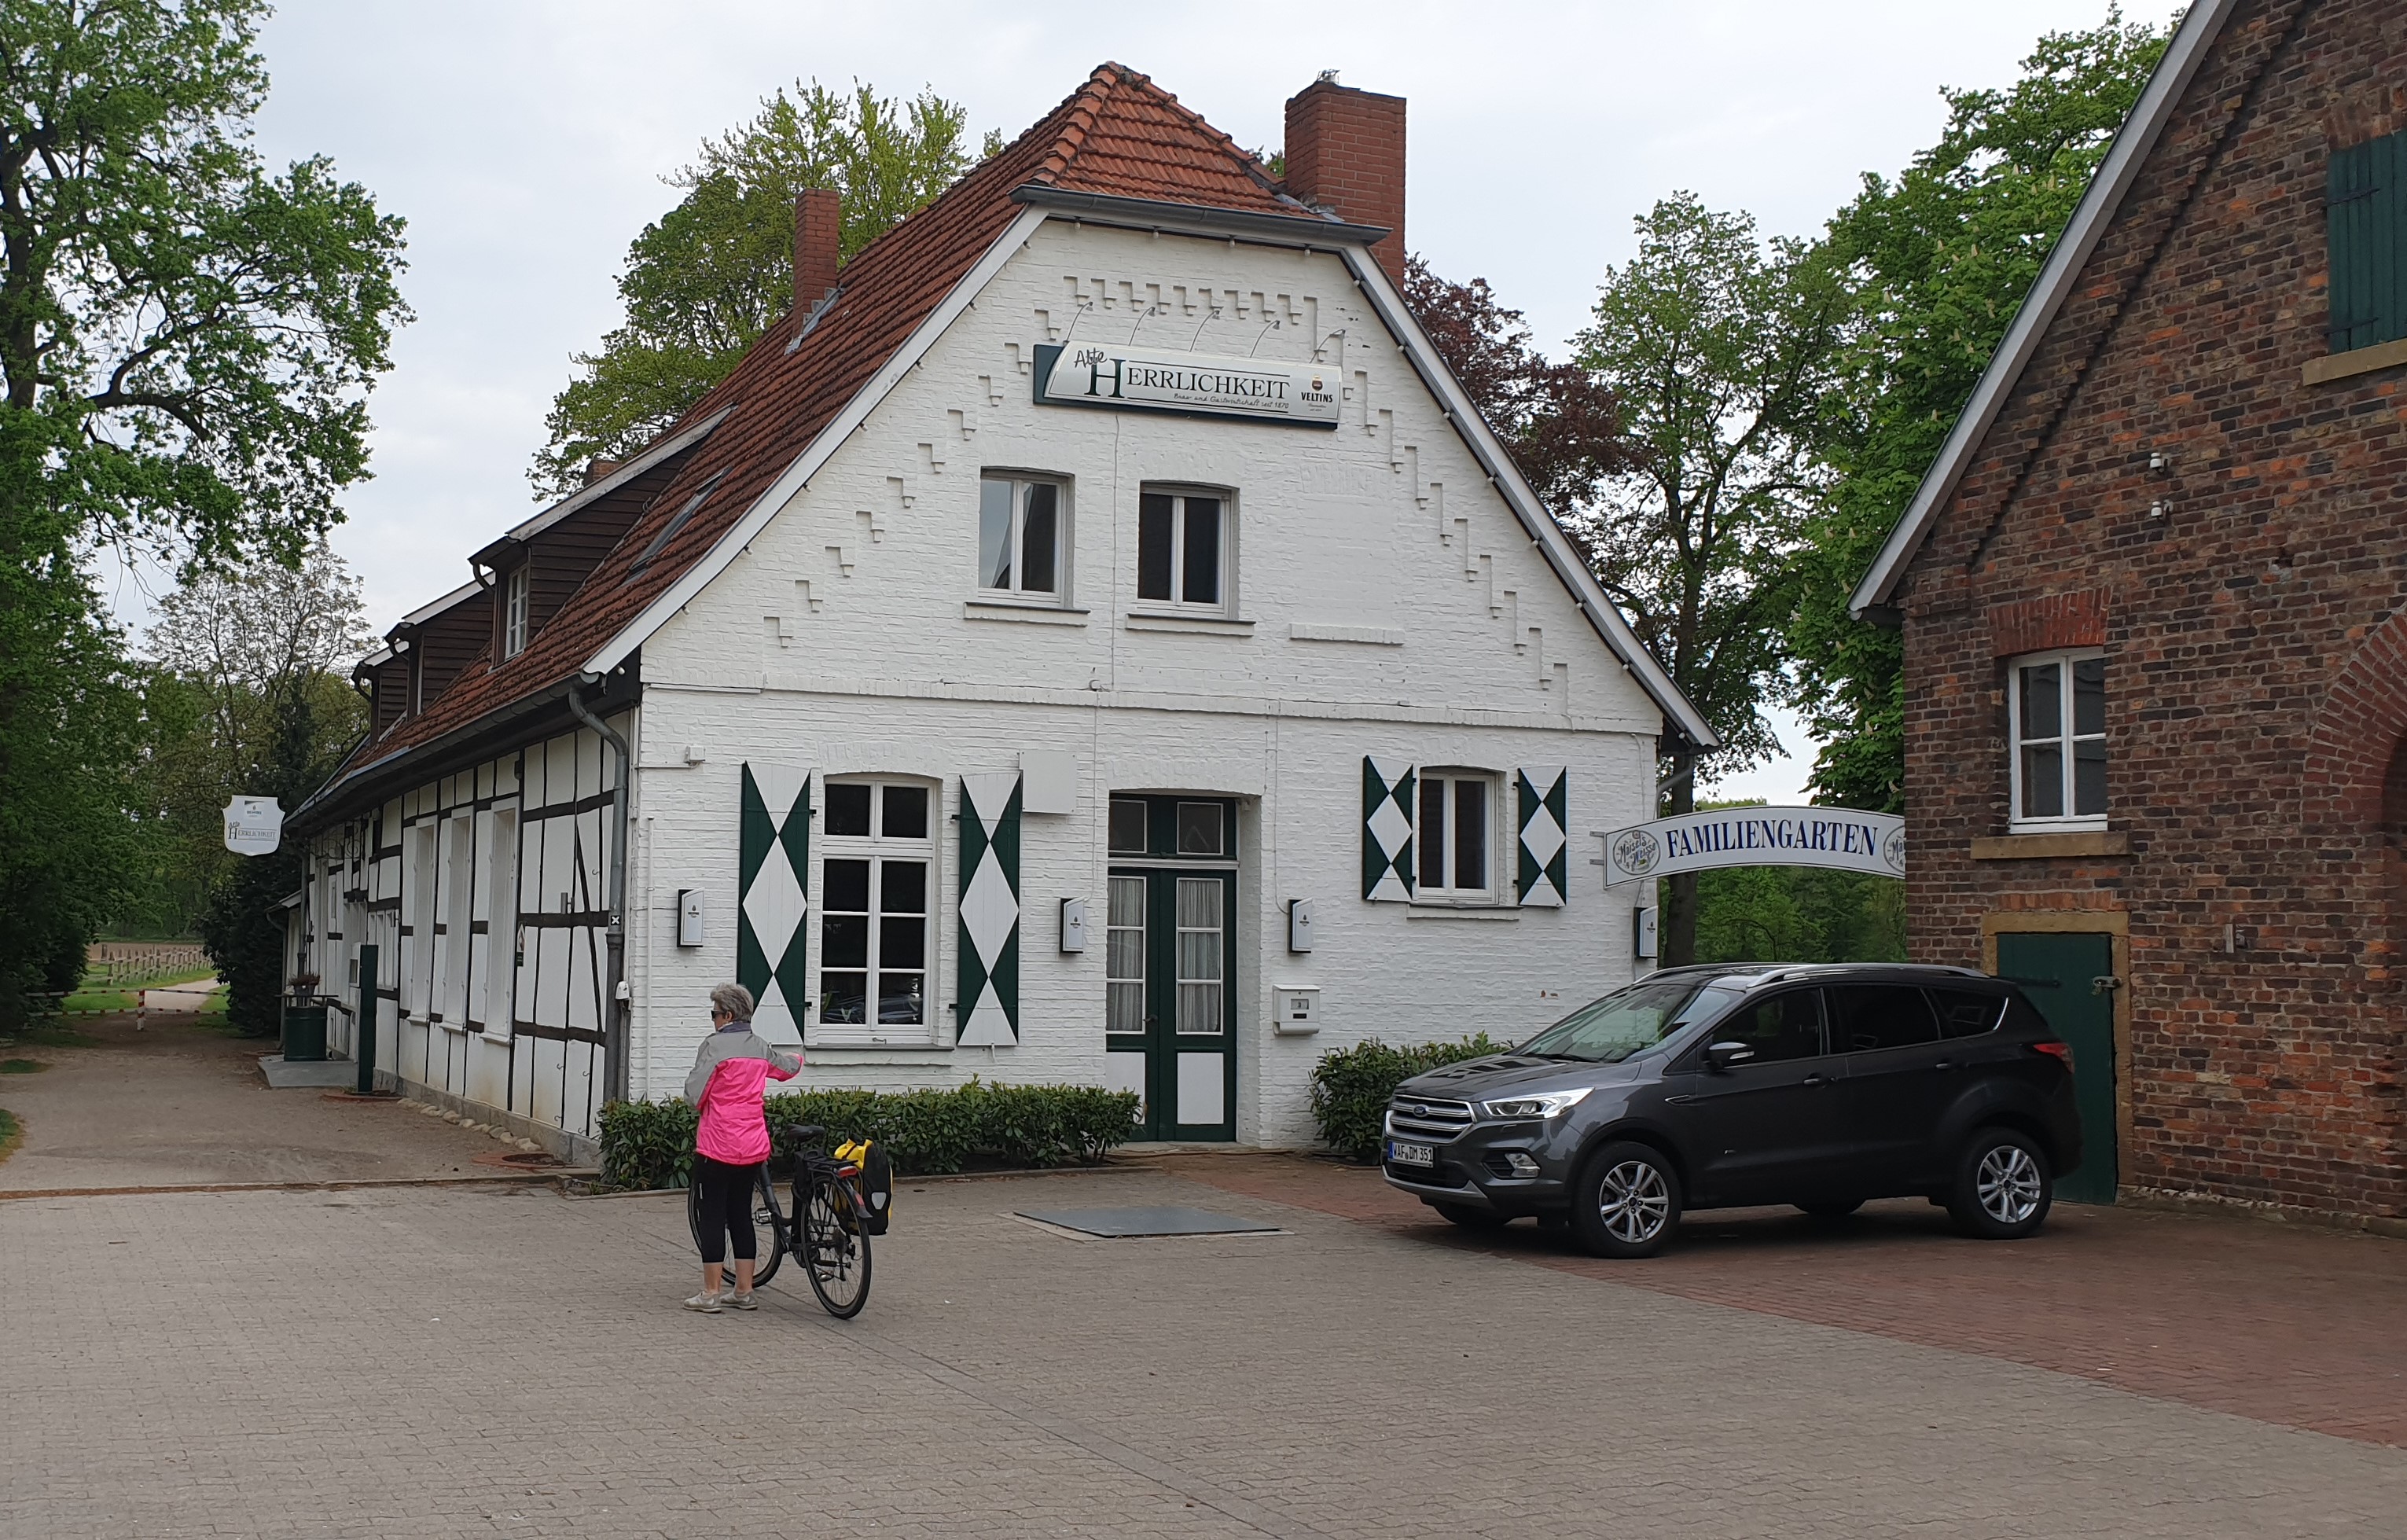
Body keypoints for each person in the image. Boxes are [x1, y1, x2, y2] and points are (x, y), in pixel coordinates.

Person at [681, 983, 801, 1312]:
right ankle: (745, 1291)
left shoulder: (714, 1047)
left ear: (728, 1015)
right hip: (752, 1146)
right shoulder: (759, 1047)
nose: (713, 1020)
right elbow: (787, 1068)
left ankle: (710, 1293)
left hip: (717, 1146)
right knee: (740, 1215)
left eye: (714, 1014)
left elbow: (695, 1095)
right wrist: (798, 1057)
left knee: (713, 1215)